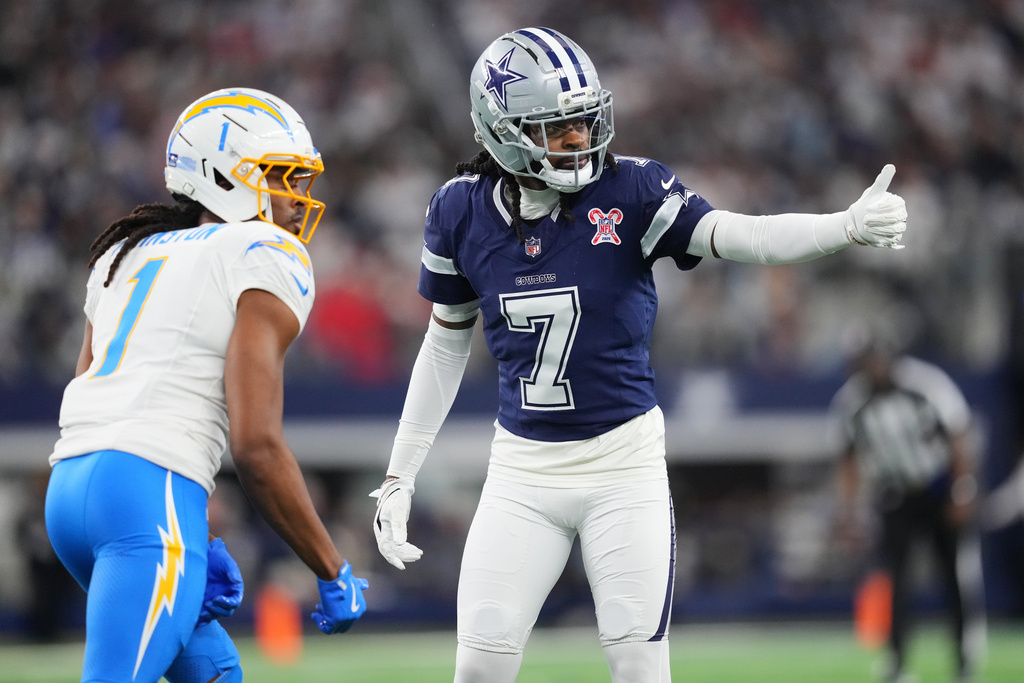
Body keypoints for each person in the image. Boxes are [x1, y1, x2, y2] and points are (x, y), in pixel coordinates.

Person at [370, 27, 908, 683]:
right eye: (555, 127)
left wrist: (842, 226)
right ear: (502, 131)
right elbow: (445, 339)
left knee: (638, 669)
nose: (578, 138)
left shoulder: (630, 191)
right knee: (478, 670)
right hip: (522, 471)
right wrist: (400, 473)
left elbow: (738, 235)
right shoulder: (458, 210)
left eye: (582, 120)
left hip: (622, 467)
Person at [45, 87, 368, 683]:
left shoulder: (125, 250)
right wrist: (330, 567)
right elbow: (256, 446)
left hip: (71, 492)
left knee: (215, 672)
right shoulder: (262, 249)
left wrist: (194, 528)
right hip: (147, 497)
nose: (297, 199)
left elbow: (96, 393)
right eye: (281, 178)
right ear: (224, 178)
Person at [831, 339, 986, 683]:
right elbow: (849, 461)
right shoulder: (852, 401)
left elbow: (959, 435)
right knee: (897, 581)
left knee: (954, 576)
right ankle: (897, 662)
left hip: (938, 488)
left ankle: (964, 659)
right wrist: (849, 512)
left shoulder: (925, 385)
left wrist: (961, 491)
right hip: (895, 495)